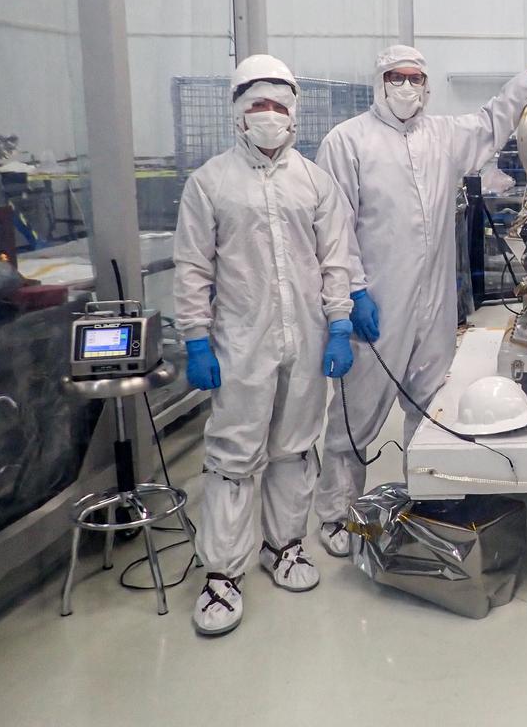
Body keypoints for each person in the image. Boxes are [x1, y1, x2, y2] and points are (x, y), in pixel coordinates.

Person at [312, 45, 527, 555]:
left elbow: (492, 120)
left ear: (426, 85)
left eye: (414, 78)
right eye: (395, 77)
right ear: (379, 82)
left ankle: (424, 497)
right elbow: (334, 228)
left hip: (434, 300)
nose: (406, 87)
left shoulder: (443, 135)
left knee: (428, 405)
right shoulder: (348, 141)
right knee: (355, 413)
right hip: (376, 300)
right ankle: (337, 514)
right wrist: (352, 293)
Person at [174, 54, 357, 636]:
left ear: (294, 113)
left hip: (304, 338)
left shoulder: (315, 181)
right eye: (259, 105)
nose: (270, 116)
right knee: (233, 455)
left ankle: (285, 547)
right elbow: (191, 269)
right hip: (239, 342)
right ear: (238, 114)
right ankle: (222, 575)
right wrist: (196, 339)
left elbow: (335, 261)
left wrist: (341, 324)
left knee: (296, 448)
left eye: (280, 106)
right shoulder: (210, 183)